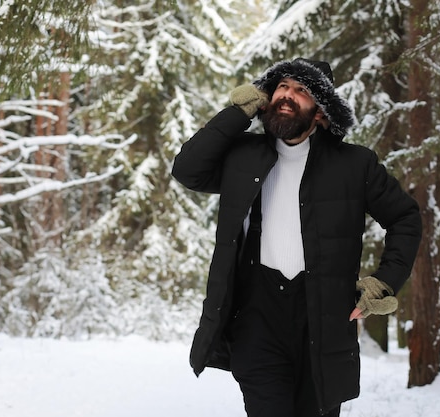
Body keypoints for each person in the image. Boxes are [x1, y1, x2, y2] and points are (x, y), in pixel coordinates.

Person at [171, 58, 422, 417]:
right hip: (256, 317)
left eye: (302, 91)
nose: (288, 96)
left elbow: (405, 218)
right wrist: (237, 113)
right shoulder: (242, 155)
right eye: (283, 87)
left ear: (321, 113)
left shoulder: (355, 165)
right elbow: (187, 170)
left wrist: (384, 281)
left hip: (324, 318)